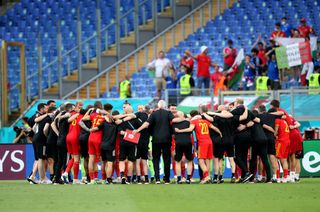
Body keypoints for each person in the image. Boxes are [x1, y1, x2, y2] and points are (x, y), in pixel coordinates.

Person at [133, 100, 174, 184]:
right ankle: (166, 179)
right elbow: (174, 122)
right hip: (167, 139)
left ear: (158, 106)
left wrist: (137, 130)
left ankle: (157, 179)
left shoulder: (154, 114)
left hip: (156, 140)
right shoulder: (168, 113)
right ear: (165, 106)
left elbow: (146, 124)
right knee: (166, 159)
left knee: (156, 159)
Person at [81, 101, 105, 184]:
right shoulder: (104, 116)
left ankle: (92, 179)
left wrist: (89, 111)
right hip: (99, 139)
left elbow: (83, 119)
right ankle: (103, 179)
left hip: (91, 138)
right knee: (102, 160)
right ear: (101, 107)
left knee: (91, 159)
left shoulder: (93, 115)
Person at [62, 103, 84, 184]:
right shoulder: (82, 116)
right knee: (77, 159)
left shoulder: (71, 114)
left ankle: (65, 173)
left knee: (73, 158)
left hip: (68, 137)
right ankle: (75, 179)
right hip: (75, 138)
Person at [53, 103, 74, 185]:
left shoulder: (59, 117)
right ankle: (66, 179)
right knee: (66, 161)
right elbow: (70, 117)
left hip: (59, 140)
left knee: (60, 161)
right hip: (64, 141)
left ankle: (57, 179)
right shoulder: (66, 117)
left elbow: (54, 123)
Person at [172, 111, 194, 184]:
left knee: (177, 161)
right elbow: (191, 133)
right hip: (188, 142)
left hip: (178, 143)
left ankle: (179, 179)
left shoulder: (174, 123)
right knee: (189, 161)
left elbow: (173, 135)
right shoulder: (188, 122)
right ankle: (188, 179)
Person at [274, 115, 290, 183]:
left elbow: (276, 132)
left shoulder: (277, 120)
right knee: (284, 159)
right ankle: (285, 177)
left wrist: (273, 134)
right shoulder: (284, 121)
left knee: (276, 159)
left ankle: (277, 177)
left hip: (281, 141)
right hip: (287, 141)